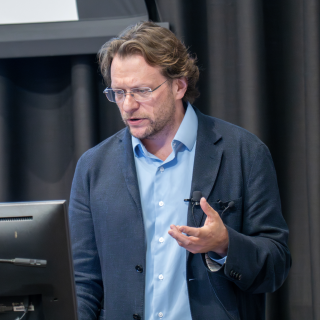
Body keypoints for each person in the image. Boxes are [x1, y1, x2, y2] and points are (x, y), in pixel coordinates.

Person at [69, 21, 291, 320]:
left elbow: (276, 266)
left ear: (179, 85)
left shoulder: (243, 152)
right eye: (118, 93)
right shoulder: (94, 167)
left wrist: (225, 244)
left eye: (141, 90)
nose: (128, 106)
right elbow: (82, 281)